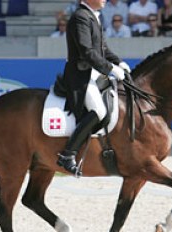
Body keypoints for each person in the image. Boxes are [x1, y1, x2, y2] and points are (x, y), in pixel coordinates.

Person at [57, 0, 131, 176]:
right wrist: (112, 69)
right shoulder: (79, 17)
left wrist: (119, 62)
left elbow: (102, 49)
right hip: (80, 75)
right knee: (99, 110)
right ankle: (68, 154)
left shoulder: (94, 16)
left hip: (94, 74)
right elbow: (87, 52)